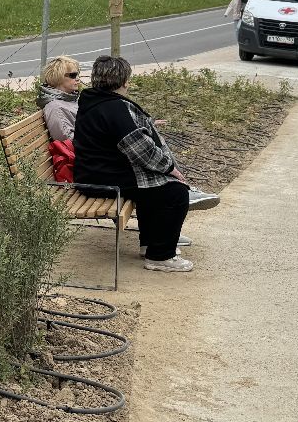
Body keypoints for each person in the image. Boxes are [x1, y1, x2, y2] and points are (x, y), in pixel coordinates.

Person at [73, 56, 215, 273]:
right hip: (101, 179)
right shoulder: (114, 108)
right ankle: (160, 255)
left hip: (93, 173)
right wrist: (169, 168)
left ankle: (151, 243)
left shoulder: (92, 100)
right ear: (124, 81)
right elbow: (140, 148)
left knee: (154, 190)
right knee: (174, 193)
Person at [36, 56, 82, 142]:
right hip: (82, 152)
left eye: (77, 74)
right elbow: (66, 140)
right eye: (73, 75)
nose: (78, 79)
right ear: (58, 77)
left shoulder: (70, 98)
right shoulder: (55, 107)